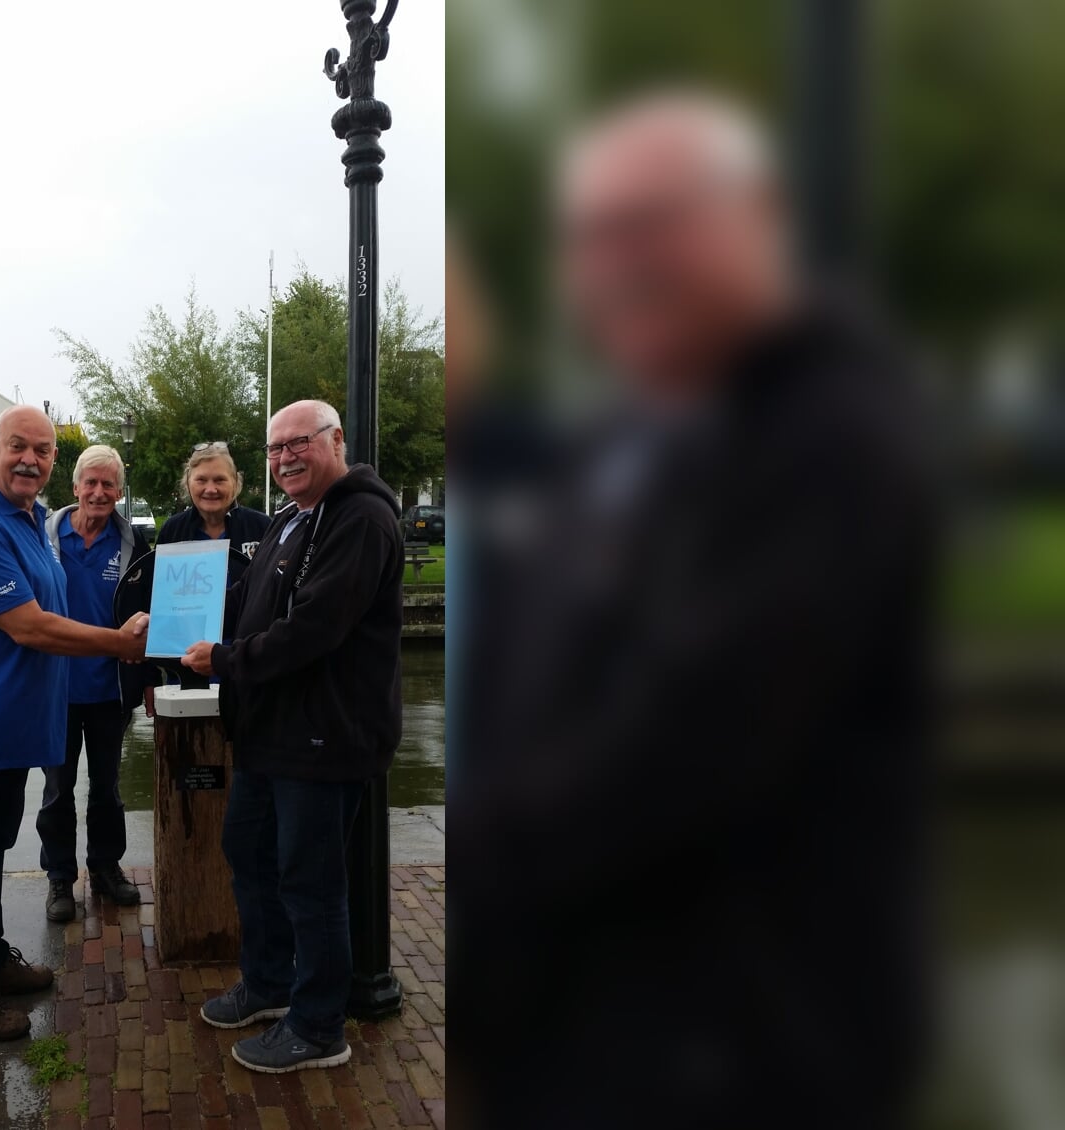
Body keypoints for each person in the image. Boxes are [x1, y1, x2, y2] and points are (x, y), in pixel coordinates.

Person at [452, 92, 933, 1128]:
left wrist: (478, 874)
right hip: (591, 1023)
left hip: (739, 1043)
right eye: (591, 236)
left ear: (761, 218)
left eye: (653, 222)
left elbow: (686, 735)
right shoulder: (632, 431)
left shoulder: (832, 436)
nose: (618, 262)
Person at [0, 405, 150, 1041]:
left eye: (43, 451)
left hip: (6, 725)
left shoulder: (28, 517)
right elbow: (29, 624)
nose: (31, 460)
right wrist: (117, 644)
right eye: (19, 446)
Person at [180, 398, 404, 1074]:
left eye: (297, 444)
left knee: (310, 882)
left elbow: (313, 630)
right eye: (275, 449)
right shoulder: (291, 519)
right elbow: (244, 599)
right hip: (269, 732)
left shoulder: (361, 519)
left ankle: (317, 1026)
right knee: (248, 851)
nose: (284, 458)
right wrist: (165, 618)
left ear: (334, 441)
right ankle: (270, 983)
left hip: (323, 737)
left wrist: (220, 661)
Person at [37, 445, 149, 922]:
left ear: (119, 493)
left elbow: (149, 618)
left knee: (107, 788)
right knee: (58, 790)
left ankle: (105, 866)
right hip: (55, 689)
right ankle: (60, 876)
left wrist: (147, 678)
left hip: (110, 690)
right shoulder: (42, 538)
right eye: (91, 483)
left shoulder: (135, 548)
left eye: (108, 485)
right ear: (75, 487)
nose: (99, 492)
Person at [157, 442, 272, 558]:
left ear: (235, 483)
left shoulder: (263, 528)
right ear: (187, 483)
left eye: (220, 480)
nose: (211, 490)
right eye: (201, 480)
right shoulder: (172, 531)